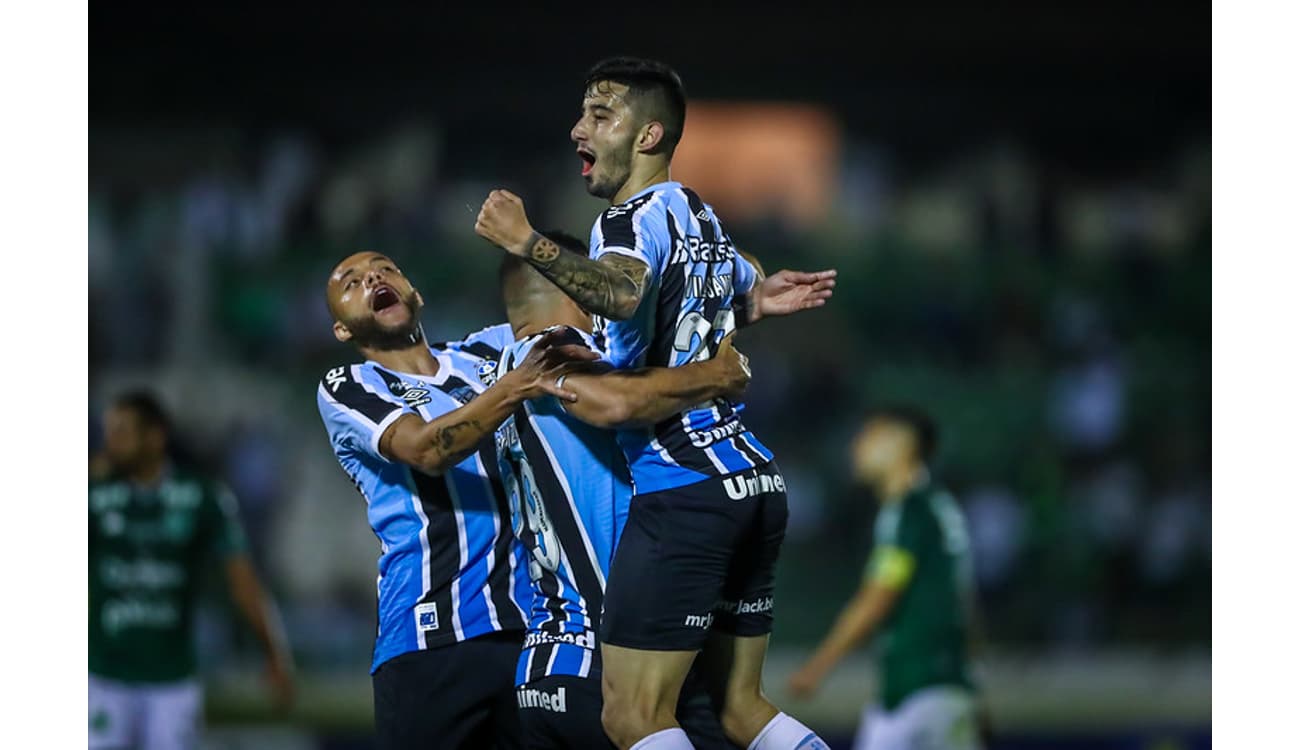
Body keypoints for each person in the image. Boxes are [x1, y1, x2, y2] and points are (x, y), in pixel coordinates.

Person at [475, 57, 834, 750]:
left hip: (685, 486)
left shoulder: (627, 220)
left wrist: (528, 242)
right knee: (739, 709)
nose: (580, 128)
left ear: (648, 136)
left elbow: (623, 294)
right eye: (582, 113)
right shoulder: (697, 211)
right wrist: (755, 301)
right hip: (754, 479)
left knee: (632, 717)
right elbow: (731, 283)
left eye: (601, 115)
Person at [315, 250, 596, 749]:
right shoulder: (349, 385)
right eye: (351, 282)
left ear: (415, 292)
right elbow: (425, 448)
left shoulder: (487, 352)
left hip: (534, 631)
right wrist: (515, 387)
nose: (373, 277)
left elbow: (581, 318)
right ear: (342, 330)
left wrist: (742, 305)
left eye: (385, 268)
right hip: (429, 639)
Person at [496, 232, 749, 749]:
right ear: (574, 286)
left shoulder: (507, 373)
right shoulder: (552, 349)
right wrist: (714, 375)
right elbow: (618, 402)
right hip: (613, 666)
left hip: (551, 663)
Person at [89, 391, 294, 750]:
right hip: (103, 676)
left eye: (122, 432)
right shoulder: (93, 491)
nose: (111, 442)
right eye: (110, 432)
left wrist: (274, 652)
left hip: (172, 681)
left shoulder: (202, 498)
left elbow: (244, 584)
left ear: (155, 436)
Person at [787, 408, 984, 750]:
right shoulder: (939, 508)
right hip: (948, 689)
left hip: (917, 694)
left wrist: (817, 666)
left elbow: (879, 597)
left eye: (868, 436)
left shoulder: (908, 513)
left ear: (901, 444)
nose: (856, 447)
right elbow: (964, 603)